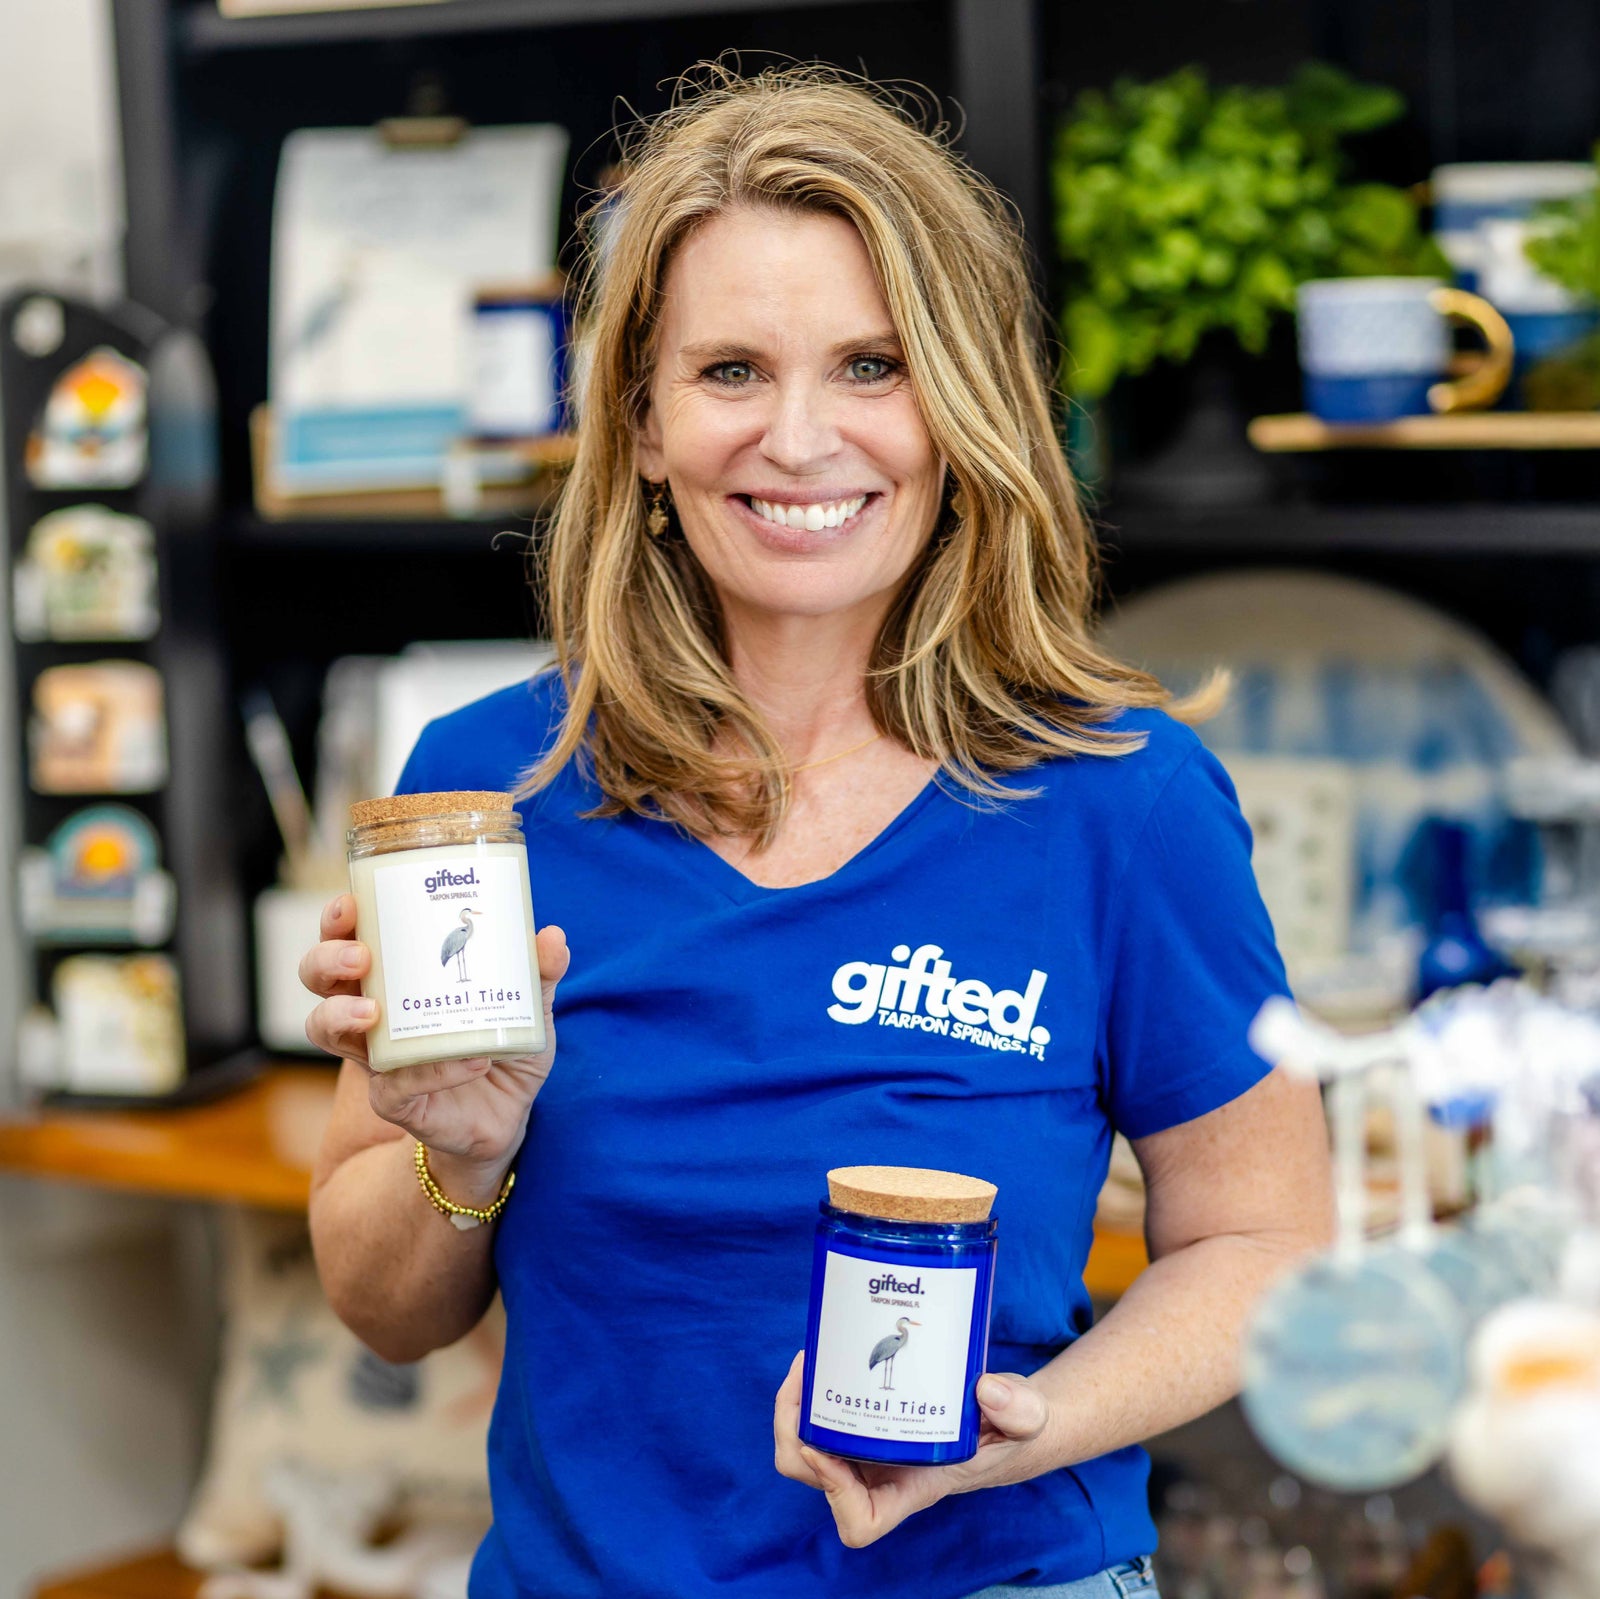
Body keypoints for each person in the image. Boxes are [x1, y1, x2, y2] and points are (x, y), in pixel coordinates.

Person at [303, 63, 1334, 1599]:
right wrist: (462, 1148)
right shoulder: (485, 794)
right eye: (730, 370)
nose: (799, 439)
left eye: (871, 366)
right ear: (643, 422)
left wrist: (1026, 1431)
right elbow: (386, 1311)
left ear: (960, 408)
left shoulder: (1124, 798)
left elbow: (1262, 1243)